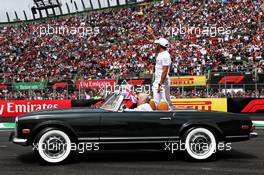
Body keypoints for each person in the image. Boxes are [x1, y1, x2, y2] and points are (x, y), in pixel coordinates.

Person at [147, 26, 174, 110]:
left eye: (157, 44)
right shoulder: (163, 52)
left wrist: (160, 84)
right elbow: (157, 42)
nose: (156, 44)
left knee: (165, 103)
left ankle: (171, 117)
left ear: (159, 46)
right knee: (158, 102)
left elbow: (165, 71)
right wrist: (151, 34)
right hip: (159, 80)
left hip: (162, 81)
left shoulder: (165, 55)